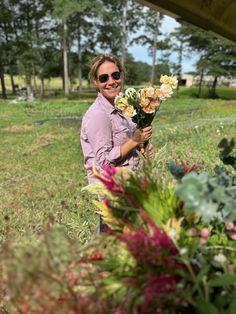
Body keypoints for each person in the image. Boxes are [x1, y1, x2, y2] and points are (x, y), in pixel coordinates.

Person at [80, 54, 152, 231]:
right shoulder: (98, 114)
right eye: (103, 78)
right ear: (96, 83)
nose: (111, 81)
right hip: (111, 191)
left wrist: (142, 144)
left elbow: (127, 142)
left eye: (115, 75)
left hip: (127, 185)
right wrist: (134, 141)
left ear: (121, 75)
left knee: (123, 240)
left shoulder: (123, 107)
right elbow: (103, 162)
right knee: (112, 243)